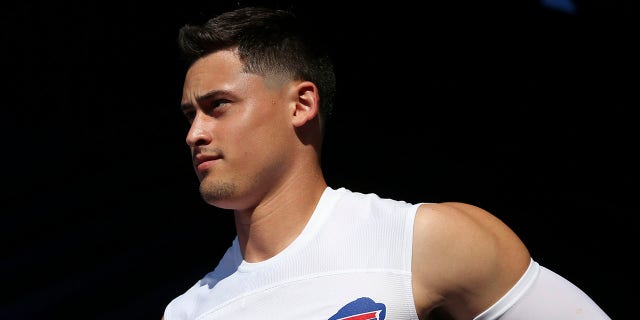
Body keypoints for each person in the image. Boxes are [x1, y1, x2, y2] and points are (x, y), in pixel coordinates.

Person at [162, 6, 611, 320]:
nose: (194, 133)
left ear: (300, 105)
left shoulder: (425, 241)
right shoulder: (188, 311)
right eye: (189, 115)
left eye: (218, 105)